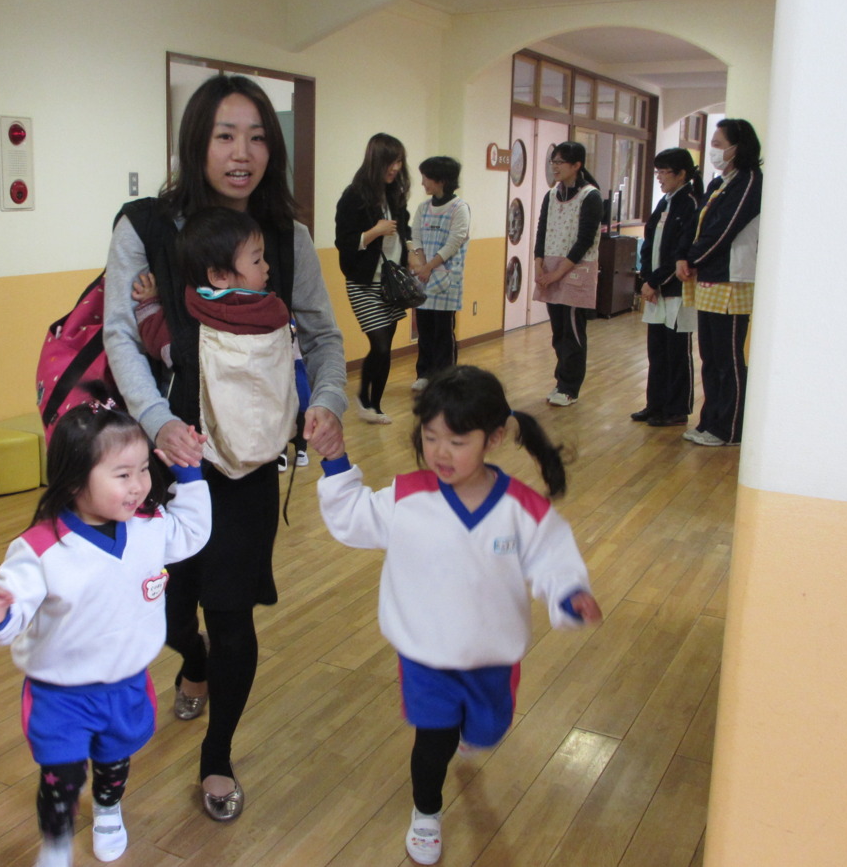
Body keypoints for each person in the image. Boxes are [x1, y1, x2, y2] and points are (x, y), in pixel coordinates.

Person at [103, 74, 347, 821]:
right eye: (226, 136)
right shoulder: (145, 227)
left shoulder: (286, 238)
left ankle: (217, 757)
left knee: (232, 610)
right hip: (163, 459)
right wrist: (155, 421)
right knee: (170, 611)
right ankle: (194, 661)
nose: (243, 153)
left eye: (258, 137)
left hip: (246, 462)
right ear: (197, 142)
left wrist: (328, 401)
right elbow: (122, 334)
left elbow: (323, 336)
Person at [316, 365, 602, 865]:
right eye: (431, 438)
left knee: (487, 731)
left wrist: (569, 593)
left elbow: (553, 559)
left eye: (457, 441)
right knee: (434, 741)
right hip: (425, 655)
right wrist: (335, 459)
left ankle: (473, 732)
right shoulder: (409, 497)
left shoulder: (521, 509)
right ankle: (426, 812)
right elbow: (354, 517)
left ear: (493, 438)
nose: (441, 453)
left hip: (492, 656)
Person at [0, 402, 211, 866]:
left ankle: (107, 809)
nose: (139, 484)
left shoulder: (148, 526)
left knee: (113, 763)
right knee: (60, 777)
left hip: (125, 683)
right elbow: (13, 602)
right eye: (122, 475)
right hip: (60, 694)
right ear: (74, 481)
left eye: (143, 470)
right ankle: (56, 841)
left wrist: (190, 476)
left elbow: (191, 533)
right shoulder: (40, 547)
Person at [131, 205, 297, 479]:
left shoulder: (192, 320)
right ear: (219, 276)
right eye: (257, 261)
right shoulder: (274, 311)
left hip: (211, 449)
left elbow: (159, 344)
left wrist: (149, 303)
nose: (267, 267)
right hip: (274, 434)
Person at [676, 119, 762, 446]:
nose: (713, 149)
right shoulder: (719, 182)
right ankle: (710, 422)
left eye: (718, 143)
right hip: (708, 277)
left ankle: (731, 429)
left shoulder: (750, 181)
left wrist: (692, 258)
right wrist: (683, 256)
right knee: (710, 357)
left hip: (733, 280)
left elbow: (724, 230)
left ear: (738, 148)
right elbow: (696, 225)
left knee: (729, 359)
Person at [334, 133, 413, 424]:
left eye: (399, 161)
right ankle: (365, 400)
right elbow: (344, 242)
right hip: (363, 282)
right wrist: (374, 231)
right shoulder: (354, 195)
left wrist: (413, 252)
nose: (396, 168)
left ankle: (373, 405)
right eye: (391, 162)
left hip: (391, 282)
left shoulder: (394, 194)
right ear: (375, 161)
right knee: (379, 344)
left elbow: (405, 229)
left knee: (384, 347)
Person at [631, 148, 703, 427]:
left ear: (681, 174)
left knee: (676, 351)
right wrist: (647, 279)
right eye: (657, 172)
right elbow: (650, 244)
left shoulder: (690, 203)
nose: (659, 177)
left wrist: (655, 281)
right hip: (656, 288)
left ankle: (677, 408)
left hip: (675, 289)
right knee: (657, 350)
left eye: (664, 172)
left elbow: (680, 250)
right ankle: (655, 404)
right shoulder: (665, 201)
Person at [533, 141, 603, 406]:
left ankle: (570, 388)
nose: (555, 167)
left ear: (576, 165)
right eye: (553, 161)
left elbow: (585, 240)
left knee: (572, 332)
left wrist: (558, 273)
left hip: (576, 270)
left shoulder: (590, 196)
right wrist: (539, 264)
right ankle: (560, 382)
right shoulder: (551, 195)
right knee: (558, 331)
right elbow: (542, 230)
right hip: (550, 268)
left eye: (560, 162)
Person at [409, 156, 470, 392]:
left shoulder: (459, 208)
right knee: (424, 329)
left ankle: (446, 378)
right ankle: (424, 373)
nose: (422, 182)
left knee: (443, 332)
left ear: (441, 180)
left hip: (446, 278)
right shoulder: (423, 208)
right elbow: (416, 237)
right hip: (424, 277)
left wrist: (429, 266)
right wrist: (420, 262)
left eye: (426, 178)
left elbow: (454, 242)